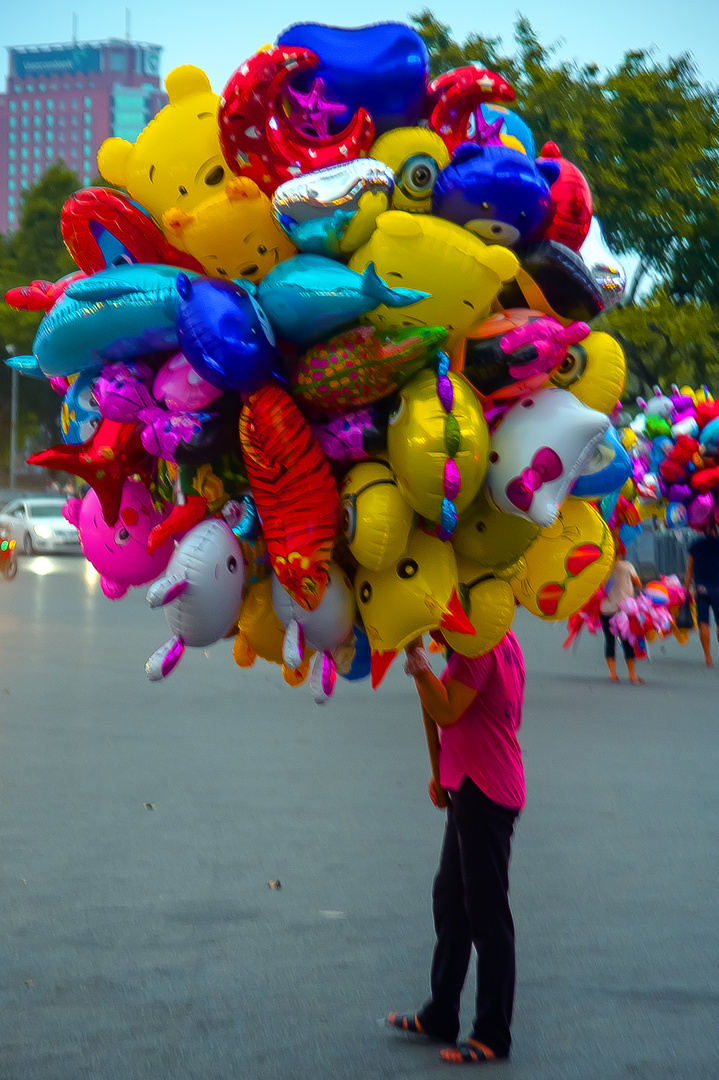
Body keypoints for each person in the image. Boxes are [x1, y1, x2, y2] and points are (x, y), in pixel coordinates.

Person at [387, 631, 525, 1066]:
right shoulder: (497, 638)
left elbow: (445, 709)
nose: (433, 628)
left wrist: (418, 663)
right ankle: (441, 1012)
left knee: (486, 915)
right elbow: (454, 708)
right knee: (450, 902)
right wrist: (442, 770)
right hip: (469, 782)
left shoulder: (478, 647)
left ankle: (492, 1033)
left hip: (485, 791)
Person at [599, 555, 643, 684]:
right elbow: (638, 584)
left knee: (609, 640)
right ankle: (632, 675)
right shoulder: (627, 566)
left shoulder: (601, 567)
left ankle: (613, 674)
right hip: (625, 609)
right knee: (627, 641)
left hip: (606, 609)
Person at [684, 526, 719, 666]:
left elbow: (690, 570)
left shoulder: (695, 545)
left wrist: (686, 588)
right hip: (717, 588)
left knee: (703, 622)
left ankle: (708, 657)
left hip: (700, 588)